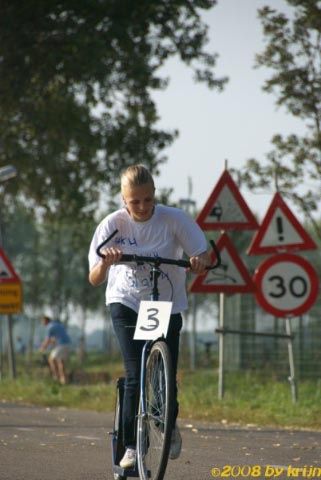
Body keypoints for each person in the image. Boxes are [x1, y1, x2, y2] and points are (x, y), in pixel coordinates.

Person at [88, 164, 210, 469]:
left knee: (164, 375)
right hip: (126, 301)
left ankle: (168, 422)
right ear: (123, 199)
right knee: (135, 373)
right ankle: (131, 445)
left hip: (164, 303)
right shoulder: (111, 225)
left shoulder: (175, 219)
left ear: (155, 195)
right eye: (134, 202)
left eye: (147, 199)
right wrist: (107, 263)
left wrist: (197, 262)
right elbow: (94, 277)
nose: (142, 207)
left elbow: (204, 255)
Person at [39, 315, 71, 385]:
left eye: (42, 321)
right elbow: (55, 338)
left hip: (61, 345)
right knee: (60, 361)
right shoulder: (57, 324)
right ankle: (64, 380)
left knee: (51, 359)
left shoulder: (50, 327)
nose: (42, 323)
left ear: (46, 321)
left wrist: (42, 348)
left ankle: (56, 377)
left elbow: (47, 340)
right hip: (67, 344)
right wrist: (51, 343)